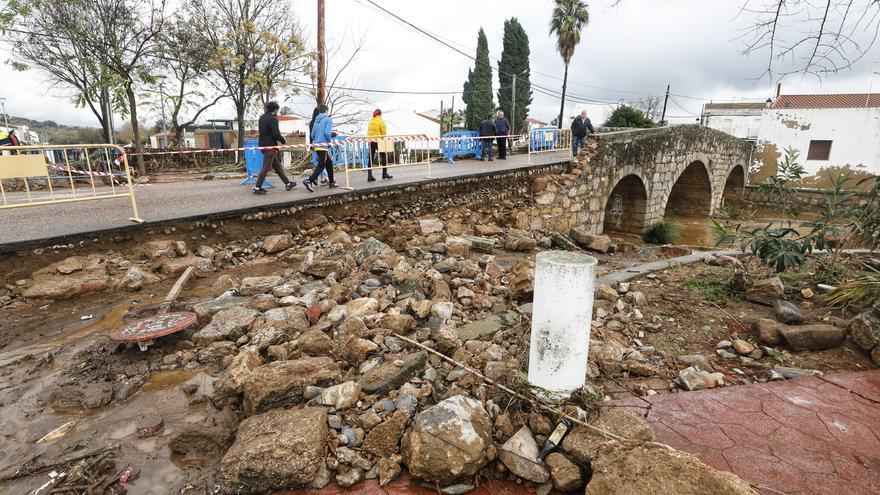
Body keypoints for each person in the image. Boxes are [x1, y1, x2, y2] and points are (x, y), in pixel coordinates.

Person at [253, 101, 296, 194]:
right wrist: (283, 141)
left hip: (262, 145)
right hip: (270, 146)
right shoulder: (273, 119)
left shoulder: (262, 118)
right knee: (266, 167)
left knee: (277, 167)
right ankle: (257, 187)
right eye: (277, 110)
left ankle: (288, 183)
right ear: (275, 109)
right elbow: (276, 133)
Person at [305, 104, 337, 192]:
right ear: (326, 111)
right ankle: (309, 181)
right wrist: (329, 142)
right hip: (323, 145)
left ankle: (331, 182)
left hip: (316, 145)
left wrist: (318, 139)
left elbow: (312, 134)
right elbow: (327, 133)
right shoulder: (328, 119)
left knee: (329, 164)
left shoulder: (316, 120)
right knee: (321, 165)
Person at [366, 109, 392, 182]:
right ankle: (384, 173)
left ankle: (369, 176)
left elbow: (369, 131)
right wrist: (383, 138)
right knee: (384, 156)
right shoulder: (381, 121)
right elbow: (384, 131)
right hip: (378, 141)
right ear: (380, 114)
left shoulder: (371, 121)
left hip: (371, 141)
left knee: (371, 158)